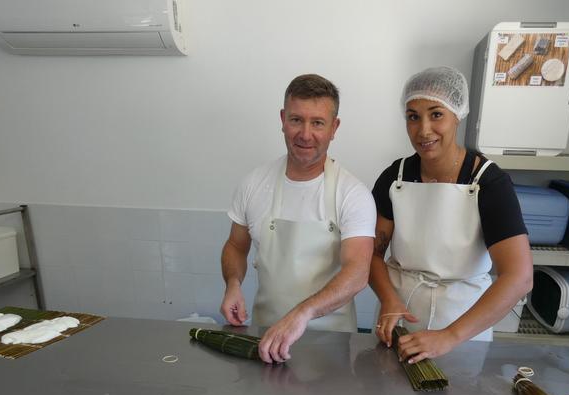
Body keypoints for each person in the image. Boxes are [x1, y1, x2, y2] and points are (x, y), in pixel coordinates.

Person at [370, 66, 533, 364]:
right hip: (401, 319)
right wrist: (388, 299)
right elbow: (371, 253)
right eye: (413, 116)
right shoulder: (396, 177)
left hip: (465, 327)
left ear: (458, 114)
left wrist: (449, 336)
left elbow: (519, 277)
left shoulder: (488, 182)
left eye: (436, 114)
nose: (423, 130)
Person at [220, 74, 376, 364]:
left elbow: (358, 271)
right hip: (265, 339)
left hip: (332, 345)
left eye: (317, 122)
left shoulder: (352, 193)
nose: (305, 134)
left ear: (334, 127)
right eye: (296, 120)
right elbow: (235, 246)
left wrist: (302, 313)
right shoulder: (254, 184)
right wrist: (233, 284)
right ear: (282, 119)